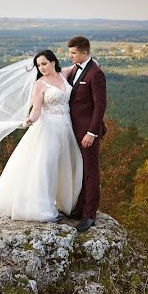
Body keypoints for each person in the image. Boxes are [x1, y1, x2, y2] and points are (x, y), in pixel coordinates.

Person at [0, 50, 82, 223]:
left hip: (66, 128)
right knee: (46, 167)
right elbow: (36, 111)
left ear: (53, 62)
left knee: (63, 165)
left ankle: (64, 203)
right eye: (38, 65)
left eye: (44, 63)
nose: (41, 68)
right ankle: (42, 207)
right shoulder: (40, 85)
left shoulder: (64, 74)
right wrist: (30, 120)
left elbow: (82, 66)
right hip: (48, 129)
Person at [61, 36, 107, 232]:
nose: (70, 56)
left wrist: (91, 133)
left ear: (85, 53)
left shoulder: (96, 73)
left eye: (73, 53)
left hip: (88, 133)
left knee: (90, 172)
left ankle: (89, 215)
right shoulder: (75, 70)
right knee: (79, 170)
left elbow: (100, 106)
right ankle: (79, 208)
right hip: (74, 130)